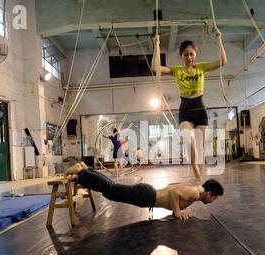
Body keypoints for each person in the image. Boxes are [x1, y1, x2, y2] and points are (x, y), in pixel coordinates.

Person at [152, 28, 227, 185]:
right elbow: (155, 68)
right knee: (190, 143)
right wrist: (157, 45)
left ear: (195, 54)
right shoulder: (177, 71)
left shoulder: (201, 67)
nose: (189, 57)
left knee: (201, 148)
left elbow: (223, 62)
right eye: (186, 54)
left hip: (200, 108)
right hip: (185, 109)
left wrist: (219, 39)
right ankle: (196, 174)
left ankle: (200, 180)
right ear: (181, 56)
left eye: (191, 54)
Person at [65, 162, 224, 220]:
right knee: (110, 190)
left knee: (111, 189)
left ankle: (87, 170)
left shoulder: (193, 188)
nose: (211, 202)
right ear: (210, 193)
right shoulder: (196, 193)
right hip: (147, 196)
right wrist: (177, 212)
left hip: (148, 194)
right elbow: (173, 193)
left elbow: (173, 185)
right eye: (214, 199)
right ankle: (81, 172)